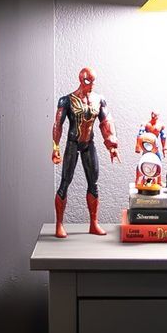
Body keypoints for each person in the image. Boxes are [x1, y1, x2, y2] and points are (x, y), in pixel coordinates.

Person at [51, 67, 118, 237]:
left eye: (94, 81)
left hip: (89, 143)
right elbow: (58, 124)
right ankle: (59, 224)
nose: (92, 85)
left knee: (93, 182)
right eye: (88, 81)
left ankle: (93, 223)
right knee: (65, 181)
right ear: (81, 80)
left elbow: (106, 122)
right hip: (73, 143)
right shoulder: (66, 100)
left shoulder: (99, 99)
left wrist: (111, 145)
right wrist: (55, 147)